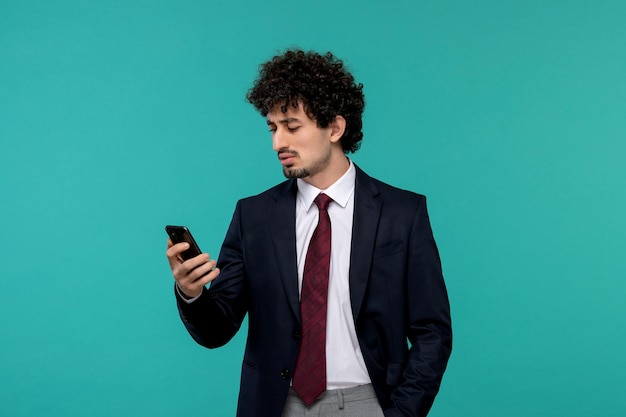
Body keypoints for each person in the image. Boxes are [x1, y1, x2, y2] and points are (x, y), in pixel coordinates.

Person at [166, 49, 452, 417]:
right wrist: (192, 294)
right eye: (272, 128)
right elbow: (217, 330)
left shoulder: (402, 213)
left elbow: (433, 332)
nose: (277, 143)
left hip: (369, 402)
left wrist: (401, 413)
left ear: (334, 128)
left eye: (292, 126)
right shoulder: (253, 215)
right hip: (274, 403)